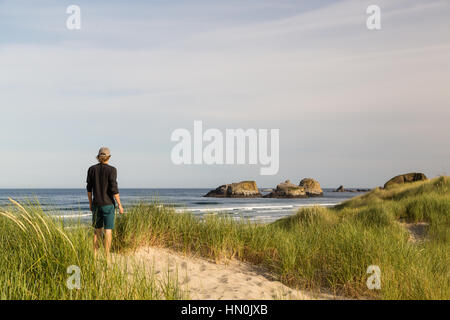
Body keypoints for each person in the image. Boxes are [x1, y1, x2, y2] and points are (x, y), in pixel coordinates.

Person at [86, 147, 124, 258]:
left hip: (96, 204)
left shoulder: (91, 169)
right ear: (109, 157)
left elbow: (89, 189)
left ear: (98, 157)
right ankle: (107, 257)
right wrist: (120, 205)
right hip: (108, 205)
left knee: (97, 232)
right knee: (108, 231)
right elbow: (114, 189)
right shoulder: (112, 170)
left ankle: (95, 256)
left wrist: (90, 203)